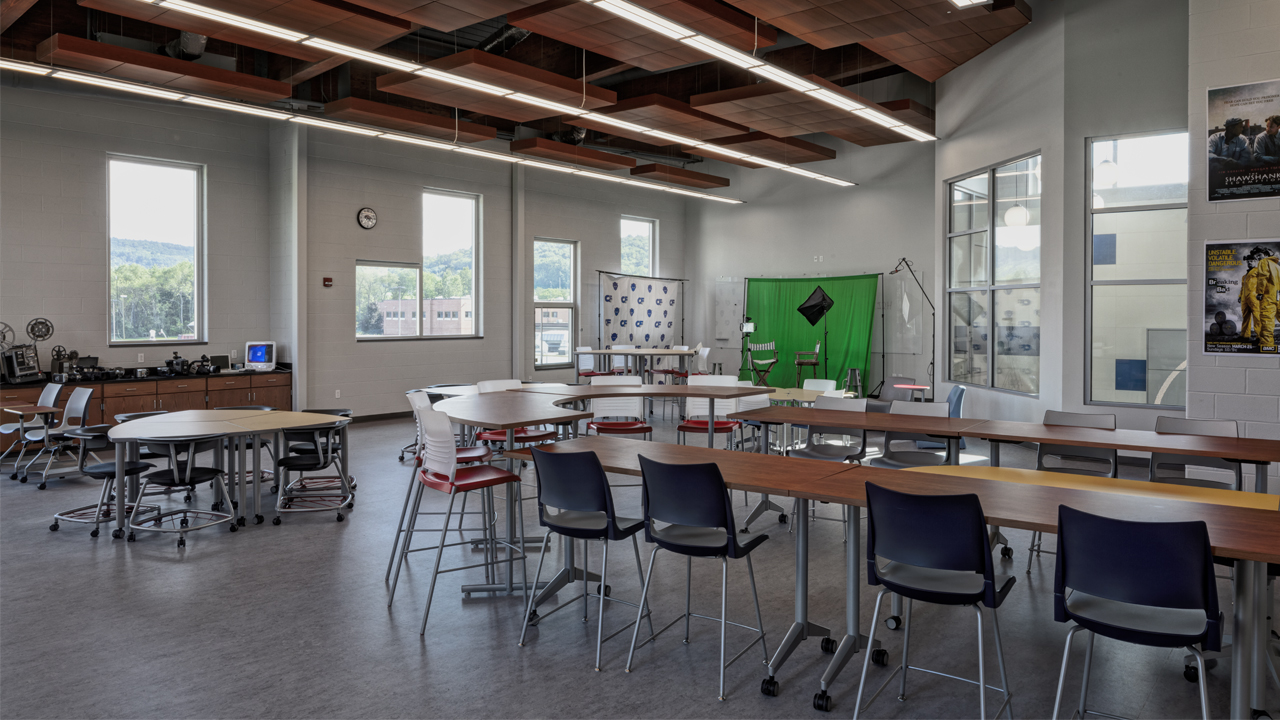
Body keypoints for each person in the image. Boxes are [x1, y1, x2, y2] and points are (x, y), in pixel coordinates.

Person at [1251, 247, 1280, 351]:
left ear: (1266, 254)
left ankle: (1267, 346)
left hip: (1268, 296)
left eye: (1259, 255)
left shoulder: (1264, 262)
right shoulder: (1276, 265)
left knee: (1267, 321)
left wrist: (1259, 292)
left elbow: (1263, 277)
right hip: (1277, 296)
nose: (1258, 258)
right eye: (1256, 257)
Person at [1239, 253, 1261, 342]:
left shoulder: (1258, 271)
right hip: (1245, 298)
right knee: (1245, 316)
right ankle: (1245, 335)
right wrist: (1240, 296)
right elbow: (1242, 287)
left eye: (1251, 261)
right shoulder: (1244, 276)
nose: (1249, 263)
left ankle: (1260, 336)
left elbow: (1263, 283)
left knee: (1257, 316)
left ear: (1255, 261)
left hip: (1254, 297)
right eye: (1248, 261)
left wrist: (1261, 293)